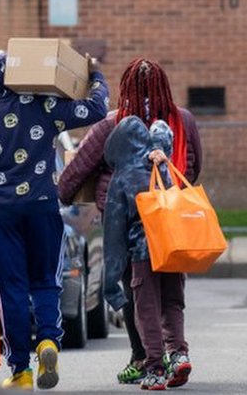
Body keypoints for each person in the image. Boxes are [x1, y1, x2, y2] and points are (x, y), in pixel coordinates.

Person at [0, 50, 109, 390]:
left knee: (10, 290)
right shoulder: (46, 107)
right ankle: (48, 342)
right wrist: (95, 76)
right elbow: (96, 110)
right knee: (45, 281)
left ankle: (20, 370)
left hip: (2, 216)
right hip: (43, 209)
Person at [58, 58, 202, 386]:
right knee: (171, 292)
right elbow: (193, 166)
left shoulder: (114, 125)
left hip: (127, 224)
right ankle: (177, 353)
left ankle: (147, 360)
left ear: (125, 88)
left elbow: (76, 171)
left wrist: (64, 196)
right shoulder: (183, 121)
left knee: (138, 293)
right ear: (165, 86)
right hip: (172, 220)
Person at [103, 116, 184, 390]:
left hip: (143, 253)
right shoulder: (163, 165)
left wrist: (110, 284)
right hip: (172, 248)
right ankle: (179, 353)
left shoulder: (122, 177)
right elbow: (163, 129)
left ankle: (155, 369)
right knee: (172, 303)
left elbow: (114, 235)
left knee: (146, 310)